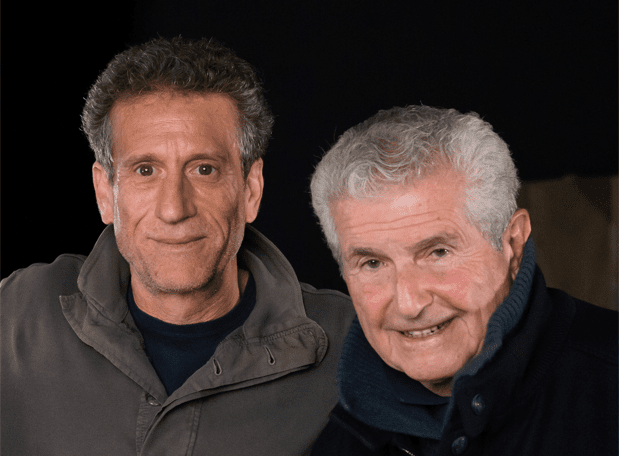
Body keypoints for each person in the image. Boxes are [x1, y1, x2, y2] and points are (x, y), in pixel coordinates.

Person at [1, 36, 355, 456]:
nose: (174, 209)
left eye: (204, 170)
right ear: (104, 193)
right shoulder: (18, 315)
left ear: (251, 189)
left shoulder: (354, 346)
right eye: (145, 170)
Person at [309, 105, 617, 455]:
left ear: (513, 244)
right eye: (373, 263)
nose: (409, 304)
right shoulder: (337, 441)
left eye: (438, 252)